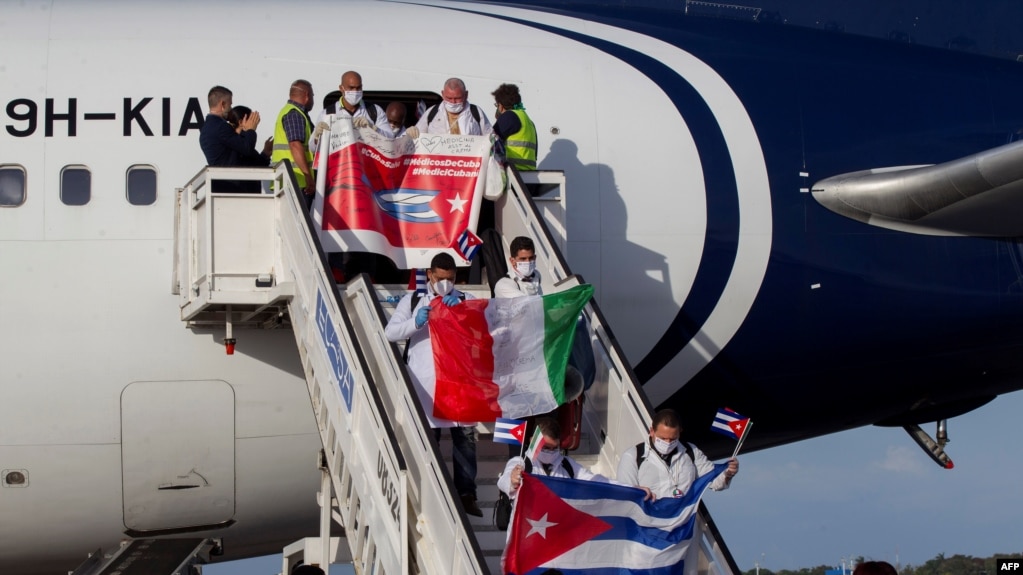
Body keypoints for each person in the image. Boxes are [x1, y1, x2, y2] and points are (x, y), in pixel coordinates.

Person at [383, 253, 483, 517]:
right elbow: (390, 333)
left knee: (466, 439)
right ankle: (435, 491)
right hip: (425, 382)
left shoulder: (467, 300)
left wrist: (463, 313)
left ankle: (466, 494)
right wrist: (416, 322)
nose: (444, 284)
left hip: (458, 380)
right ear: (429, 274)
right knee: (431, 439)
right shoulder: (412, 300)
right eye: (439, 279)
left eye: (450, 279)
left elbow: (483, 334)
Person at [616, 408, 738, 499]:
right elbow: (624, 495)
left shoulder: (691, 452)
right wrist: (637, 491)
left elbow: (715, 482)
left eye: (673, 439)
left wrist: (728, 473)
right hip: (649, 525)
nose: (668, 443)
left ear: (680, 432)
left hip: (682, 526)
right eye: (663, 438)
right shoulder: (633, 456)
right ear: (652, 431)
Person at [498, 417, 613, 499]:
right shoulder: (521, 463)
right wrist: (513, 481)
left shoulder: (567, 465)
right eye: (546, 447)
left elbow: (593, 480)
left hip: (558, 528)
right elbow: (503, 481)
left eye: (555, 447)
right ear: (533, 441)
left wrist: (625, 488)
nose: (551, 452)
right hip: (527, 529)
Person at [310, 71, 388, 153]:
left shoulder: (374, 111)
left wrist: (374, 129)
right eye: (351, 88)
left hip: (367, 163)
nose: (355, 91)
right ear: (341, 88)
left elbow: (391, 140)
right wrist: (317, 138)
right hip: (341, 163)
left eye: (358, 88)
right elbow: (312, 148)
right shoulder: (327, 113)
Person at [271, 79, 316, 203]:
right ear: (307, 95)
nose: (312, 99)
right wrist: (308, 176)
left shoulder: (288, 111)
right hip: (297, 182)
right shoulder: (294, 114)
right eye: (312, 95)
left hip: (289, 181)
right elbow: (295, 145)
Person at [407, 77, 493, 139]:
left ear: (466, 95)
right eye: (449, 98)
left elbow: (490, 137)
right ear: (443, 94)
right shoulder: (432, 112)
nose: (453, 102)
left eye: (457, 98)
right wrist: (411, 133)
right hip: (439, 162)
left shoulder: (476, 112)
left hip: (468, 162)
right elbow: (416, 135)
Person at [491, 83, 538, 171]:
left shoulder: (509, 116)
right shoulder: (528, 121)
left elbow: (490, 141)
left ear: (500, 106)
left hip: (514, 172)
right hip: (529, 173)